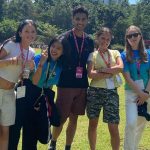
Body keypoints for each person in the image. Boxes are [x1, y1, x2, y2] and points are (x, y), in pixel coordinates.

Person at [49, 5, 94, 150]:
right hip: (66, 84)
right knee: (61, 118)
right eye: (77, 19)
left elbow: (90, 61)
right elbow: (54, 56)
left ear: (87, 20)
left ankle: (68, 146)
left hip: (82, 86)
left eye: (83, 19)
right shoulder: (64, 38)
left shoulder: (89, 41)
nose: (80, 22)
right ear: (72, 19)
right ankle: (53, 143)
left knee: (74, 118)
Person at [8, 37, 66, 150]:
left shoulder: (59, 66)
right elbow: (34, 81)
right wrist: (41, 64)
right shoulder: (39, 58)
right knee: (15, 127)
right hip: (26, 93)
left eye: (59, 48)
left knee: (31, 130)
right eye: (53, 46)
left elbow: (50, 84)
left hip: (39, 97)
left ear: (63, 52)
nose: (54, 50)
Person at [0, 19, 36, 150]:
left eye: (33, 31)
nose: (30, 34)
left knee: (5, 130)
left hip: (10, 94)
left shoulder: (31, 52)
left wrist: (31, 69)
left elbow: (24, 76)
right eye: (26, 31)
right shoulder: (11, 44)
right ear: (20, 32)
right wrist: (11, 61)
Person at [86, 27, 123, 150]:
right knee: (93, 124)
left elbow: (120, 68)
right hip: (94, 92)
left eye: (108, 39)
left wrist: (102, 70)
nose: (105, 41)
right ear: (97, 38)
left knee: (113, 126)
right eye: (103, 38)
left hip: (111, 92)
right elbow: (90, 74)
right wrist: (110, 72)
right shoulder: (92, 55)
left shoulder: (115, 53)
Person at [121, 25, 150, 150]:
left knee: (141, 123)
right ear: (126, 39)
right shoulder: (124, 55)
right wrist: (140, 93)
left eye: (135, 34)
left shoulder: (148, 53)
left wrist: (146, 93)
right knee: (131, 123)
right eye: (129, 36)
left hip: (148, 92)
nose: (132, 37)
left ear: (140, 36)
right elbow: (127, 78)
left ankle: (133, 147)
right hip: (132, 93)